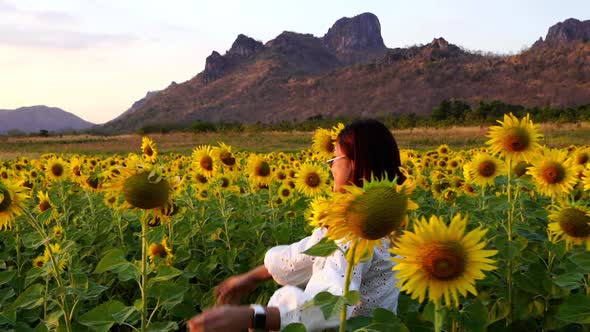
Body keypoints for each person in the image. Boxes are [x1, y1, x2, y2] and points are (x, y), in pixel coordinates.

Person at [187, 119, 405, 332]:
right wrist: (251, 277)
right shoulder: (389, 217)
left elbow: (331, 307)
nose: (331, 168)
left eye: (334, 158)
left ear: (354, 163)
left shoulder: (357, 231)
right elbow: (307, 254)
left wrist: (251, 316)